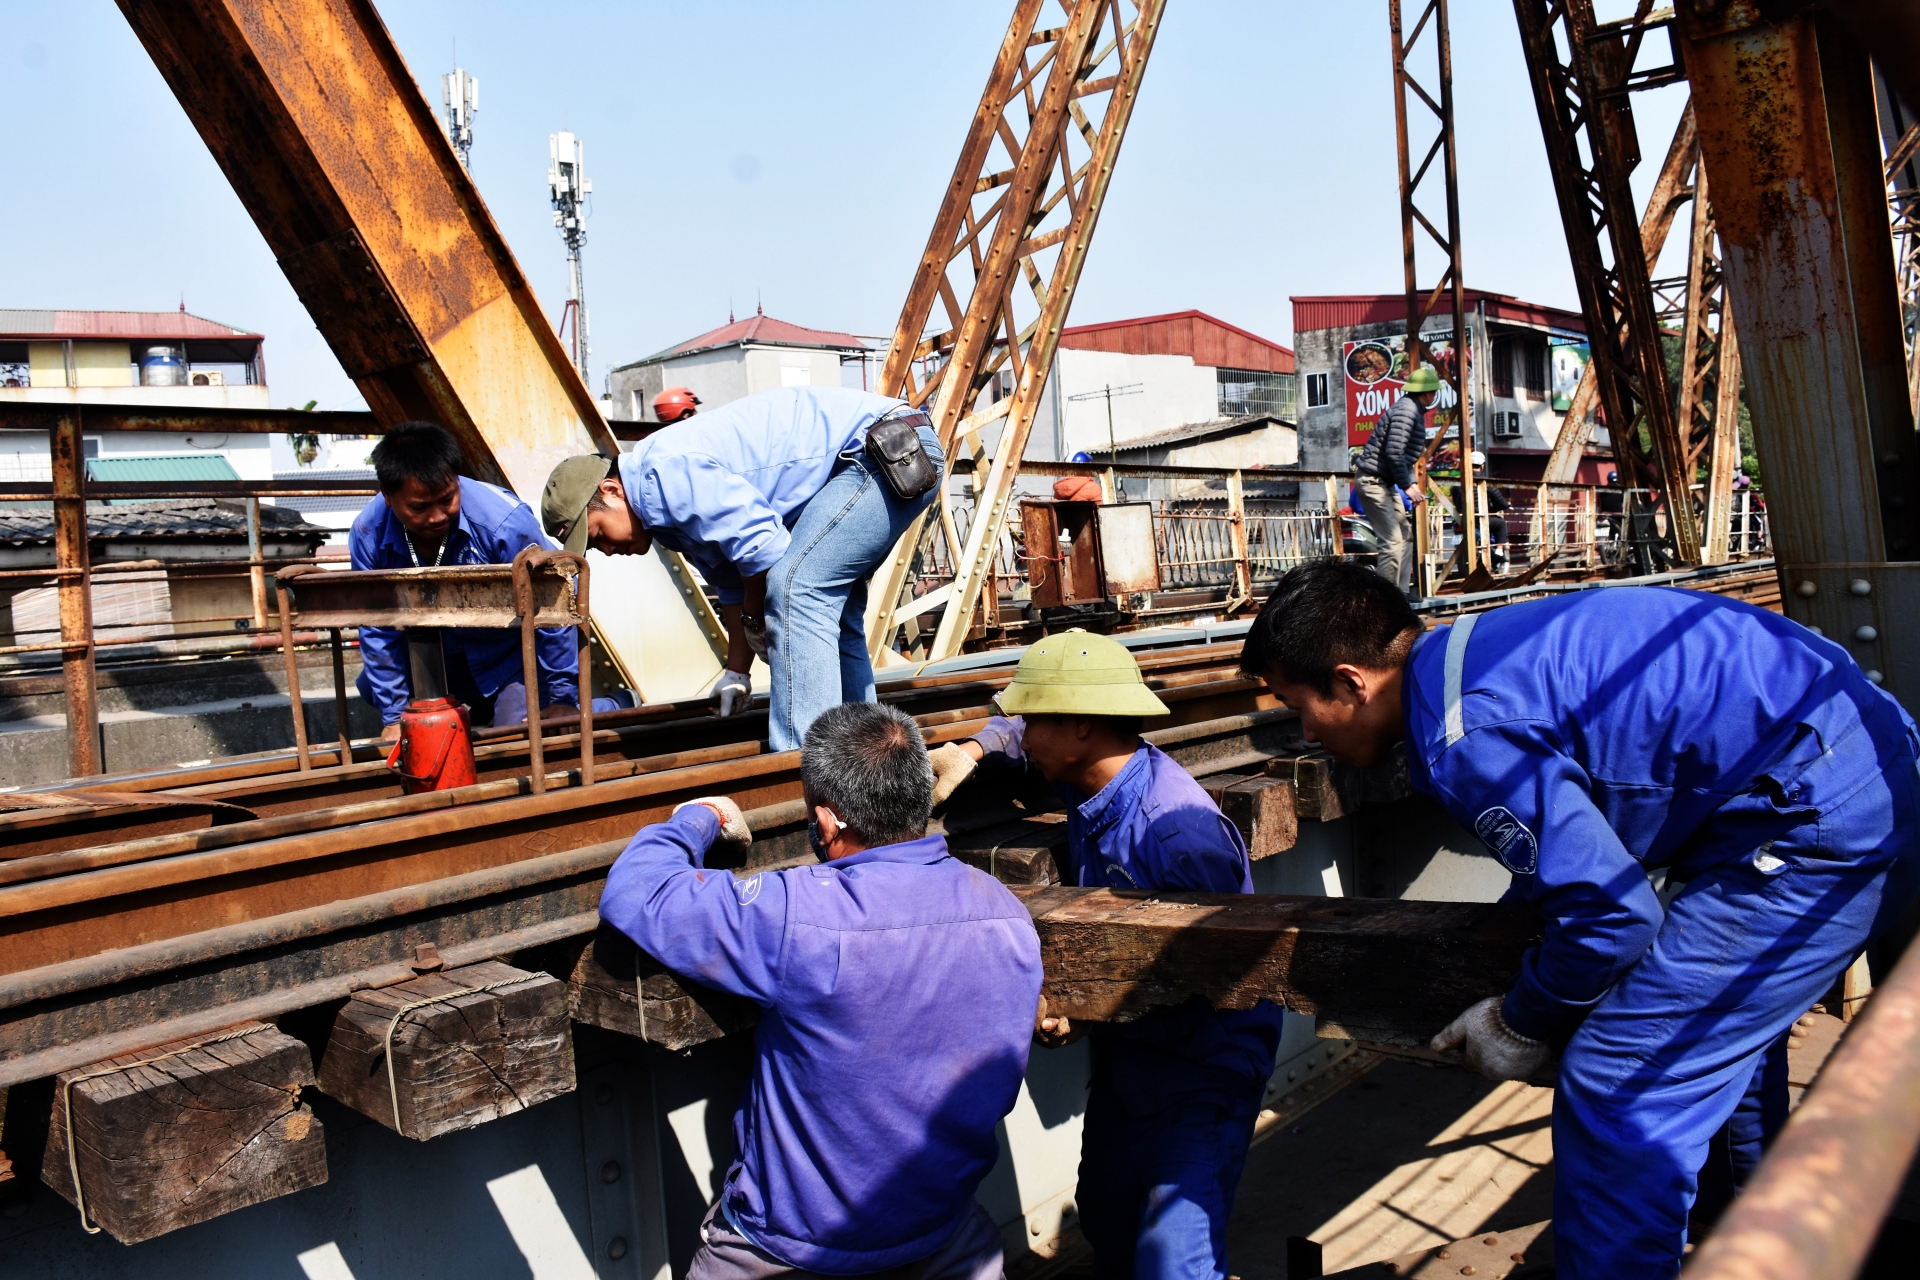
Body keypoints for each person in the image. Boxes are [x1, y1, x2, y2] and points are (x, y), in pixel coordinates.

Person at [1237, 560, 1920, 1278]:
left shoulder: (1462, 734)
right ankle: (1739, 1232)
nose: (1306, 734)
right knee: (1716, 1047)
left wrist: (1520, 1021)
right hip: (1854, 770)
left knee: (1621, 1082)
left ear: (1350, 681)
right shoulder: (1473, 651)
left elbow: (1611, 917)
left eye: (1298, 707)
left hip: (1816, 828)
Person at [598, 701, 1042, 1280]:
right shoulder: (1004, 912)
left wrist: (698, 817)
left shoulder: (798, 915)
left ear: (828, 823)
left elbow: (638, 893)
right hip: (942, 1230)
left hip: (791, 1249)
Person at [926, 630, 1283, 1280]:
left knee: (1175, 1260)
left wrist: (1088, 1012)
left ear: (1082, 723)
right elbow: (1013, 734)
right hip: (1134, 1065)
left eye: (1035, 719)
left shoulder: (1180, 836)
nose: (1024, 733)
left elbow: (1213, 980)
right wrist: (978, 748)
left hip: (1203, 1067)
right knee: (1110, 1220)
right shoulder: (1092, 775)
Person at [541, 386, 943, 750]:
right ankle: (868, 755)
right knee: (833, 616)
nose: (607, 550)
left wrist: (755, 617)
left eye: (598, 534)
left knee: (796, 589)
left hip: (886, 450)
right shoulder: (663, 518)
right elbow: (735, 585)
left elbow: (763, 551)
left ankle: (804, 768)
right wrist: (738, 672)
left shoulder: (659, 477)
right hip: (877, 454)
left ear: (610, 490)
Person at [350, 421, 619, 741]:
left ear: (457, 481)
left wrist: (562, 698)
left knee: (517, 734)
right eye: (420, 507)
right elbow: (377, 628)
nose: (436, 516)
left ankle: (612, 706)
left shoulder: (504, 524)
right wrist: (394, 717)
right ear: (388, 497)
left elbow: (552, 602)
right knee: (372, 689)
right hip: (434, 658)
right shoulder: (369, 535)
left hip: (506, 656)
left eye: (447, 499)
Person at [1352, 365, 1438, 597]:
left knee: (1405, 534)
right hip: (1373, 481)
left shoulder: (1411, 410)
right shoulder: (1407, 411)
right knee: (1392, 540)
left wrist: (1410, 483)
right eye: (1433, 391)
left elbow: (1402, 457)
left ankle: (1399, 595)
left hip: (1384, 482)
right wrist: (1408, 486)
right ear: (1427, 392)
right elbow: (1394, 452)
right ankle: (1385, 601)